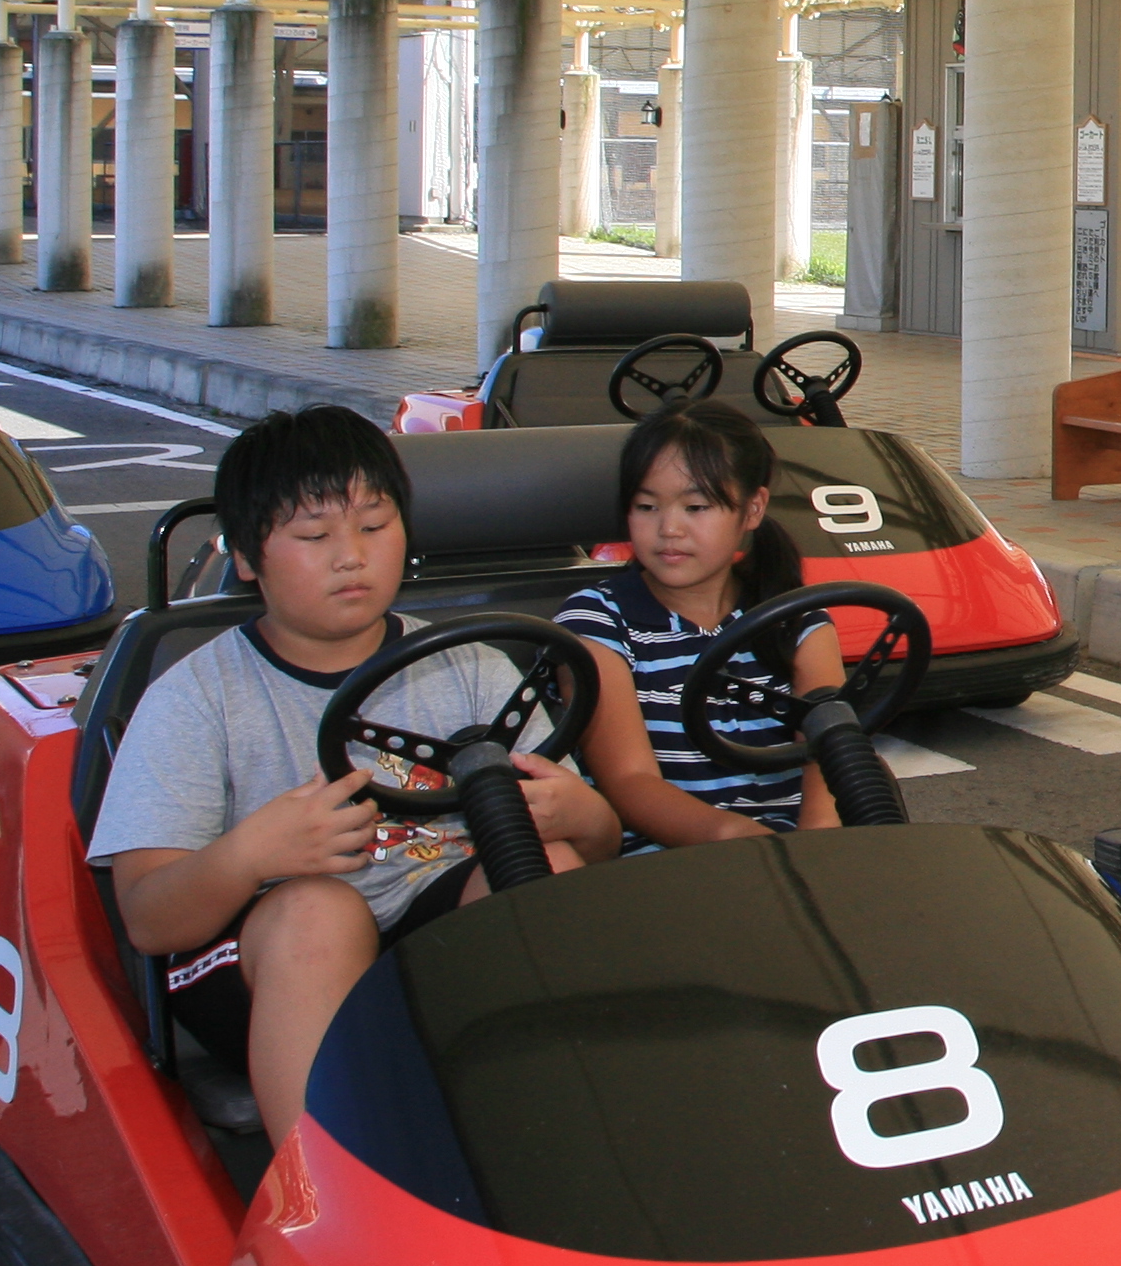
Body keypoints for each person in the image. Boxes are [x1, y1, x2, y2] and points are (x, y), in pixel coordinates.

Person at [92, 408, 618, 1140]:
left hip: (430, 936)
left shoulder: (468, 664)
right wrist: (252, 854)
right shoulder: (196, 697)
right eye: (314, 536)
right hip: (261, 961)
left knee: (548, 865)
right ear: (246, 557)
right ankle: (319, 1203)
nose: (352, 557)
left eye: (374, 527)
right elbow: (148, 919)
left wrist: (574, 814)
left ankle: (571, 1136)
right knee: (320, 913)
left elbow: (598, 840)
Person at [563, 401, 852, 844]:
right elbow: (629, 781)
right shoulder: (597, 623)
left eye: (696, 507)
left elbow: (829, 750)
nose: (669, 529)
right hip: (666, 859)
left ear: (753, 510)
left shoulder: (794, 619)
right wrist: (745, 843)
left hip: (801, 847)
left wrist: (817, 840)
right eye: (646, 506)